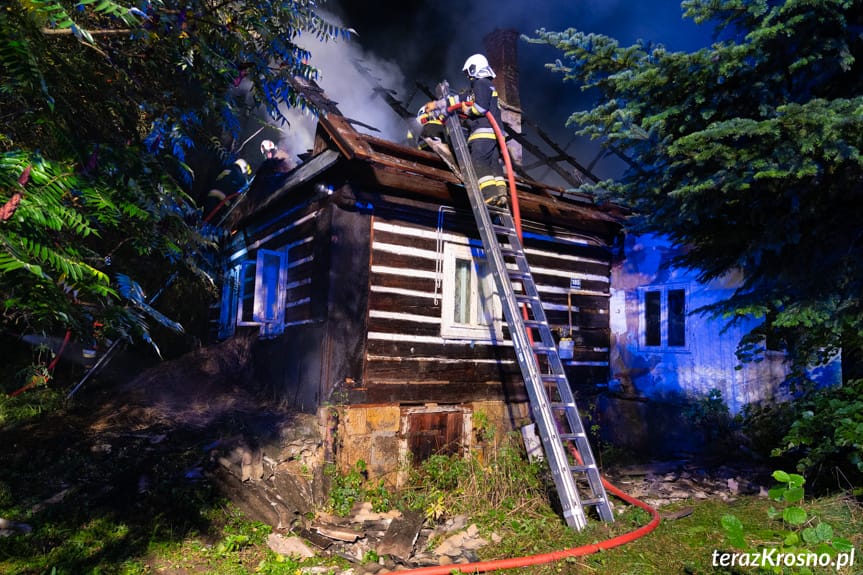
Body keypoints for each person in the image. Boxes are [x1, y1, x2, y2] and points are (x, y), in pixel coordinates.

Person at [202, 157, 251, 223]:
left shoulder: (228, 167)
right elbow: (243, 187)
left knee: (204, 216)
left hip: (211, 193)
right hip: (222, 200)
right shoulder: (239, 176)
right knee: (210, 221)